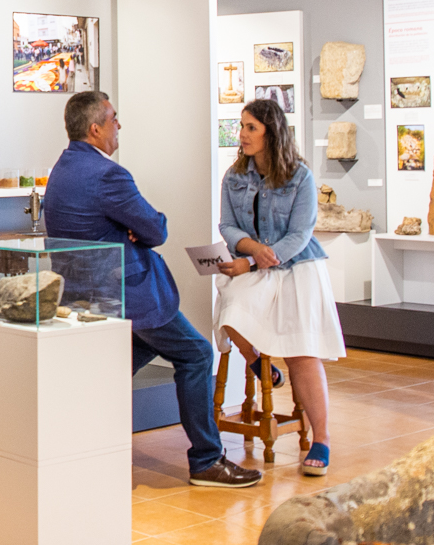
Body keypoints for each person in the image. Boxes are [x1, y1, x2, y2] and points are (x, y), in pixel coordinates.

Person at [42, 90, 261, 488]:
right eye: (113, 118)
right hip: (128, 294)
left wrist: (131, 230)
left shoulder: (63, 168)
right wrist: (138, 230)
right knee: (195, 354)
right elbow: (156, 229)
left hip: (84, 294)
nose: (118, 125)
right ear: (95, 128)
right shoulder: (109, 175)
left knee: (123, 361)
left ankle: (80, 443)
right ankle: (207, 461)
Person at [214, 98, 346, 476]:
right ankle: (258, 363)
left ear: (272, 133)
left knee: (302, 352)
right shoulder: (234, 177)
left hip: (296, 266)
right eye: (241, 126)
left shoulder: (299, 176)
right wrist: (252, 250)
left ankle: (321, 438)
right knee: (229, 312)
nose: (242, 134)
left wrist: (258, 258)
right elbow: (227, 226)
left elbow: (301, 234)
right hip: (255, 263)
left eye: (251, 127)